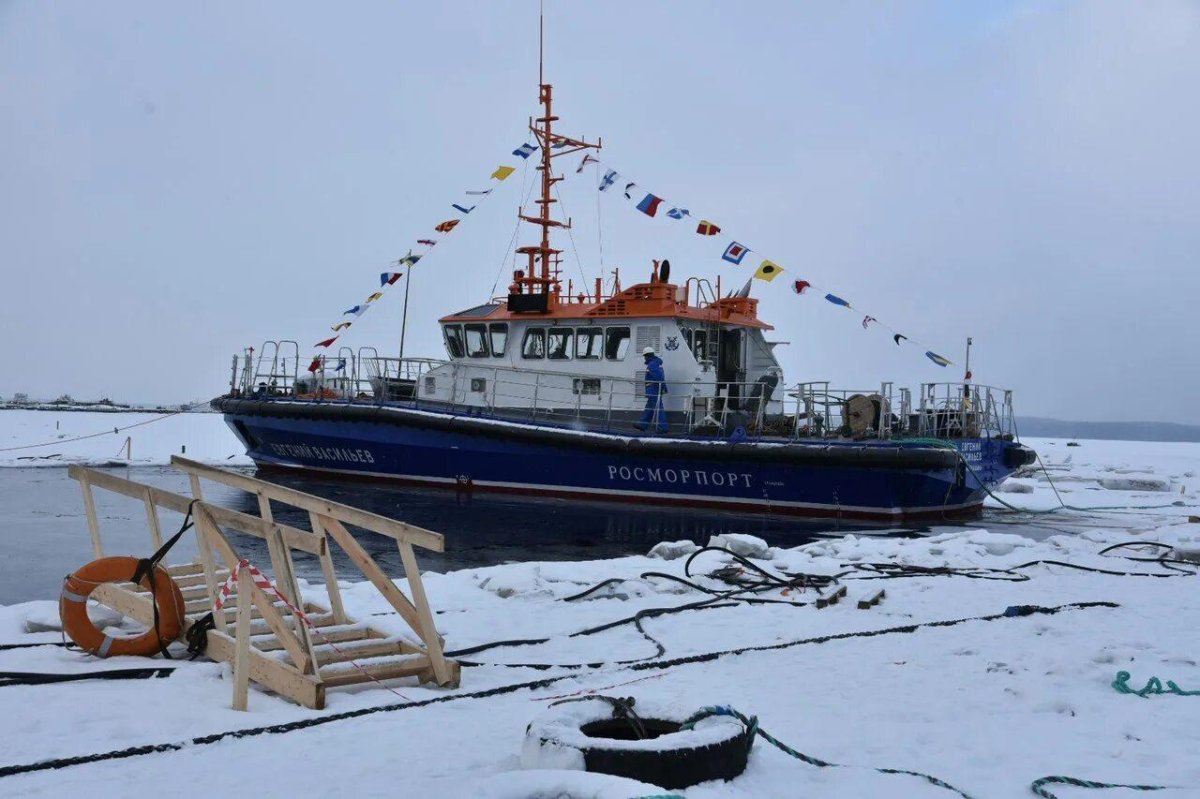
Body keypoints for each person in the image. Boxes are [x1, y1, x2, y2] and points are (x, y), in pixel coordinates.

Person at [635, 346, 669, 433]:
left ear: (647, 356)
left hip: (653, 389)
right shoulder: (656, 363)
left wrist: (662, 387)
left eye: (644, 356)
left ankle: (663, 427)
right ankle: (642, 424)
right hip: (654, 389)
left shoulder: (652, 364)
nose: (644, 358)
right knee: (649, 407)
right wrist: (663, 388)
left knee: (658, 408)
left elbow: (658, 377)